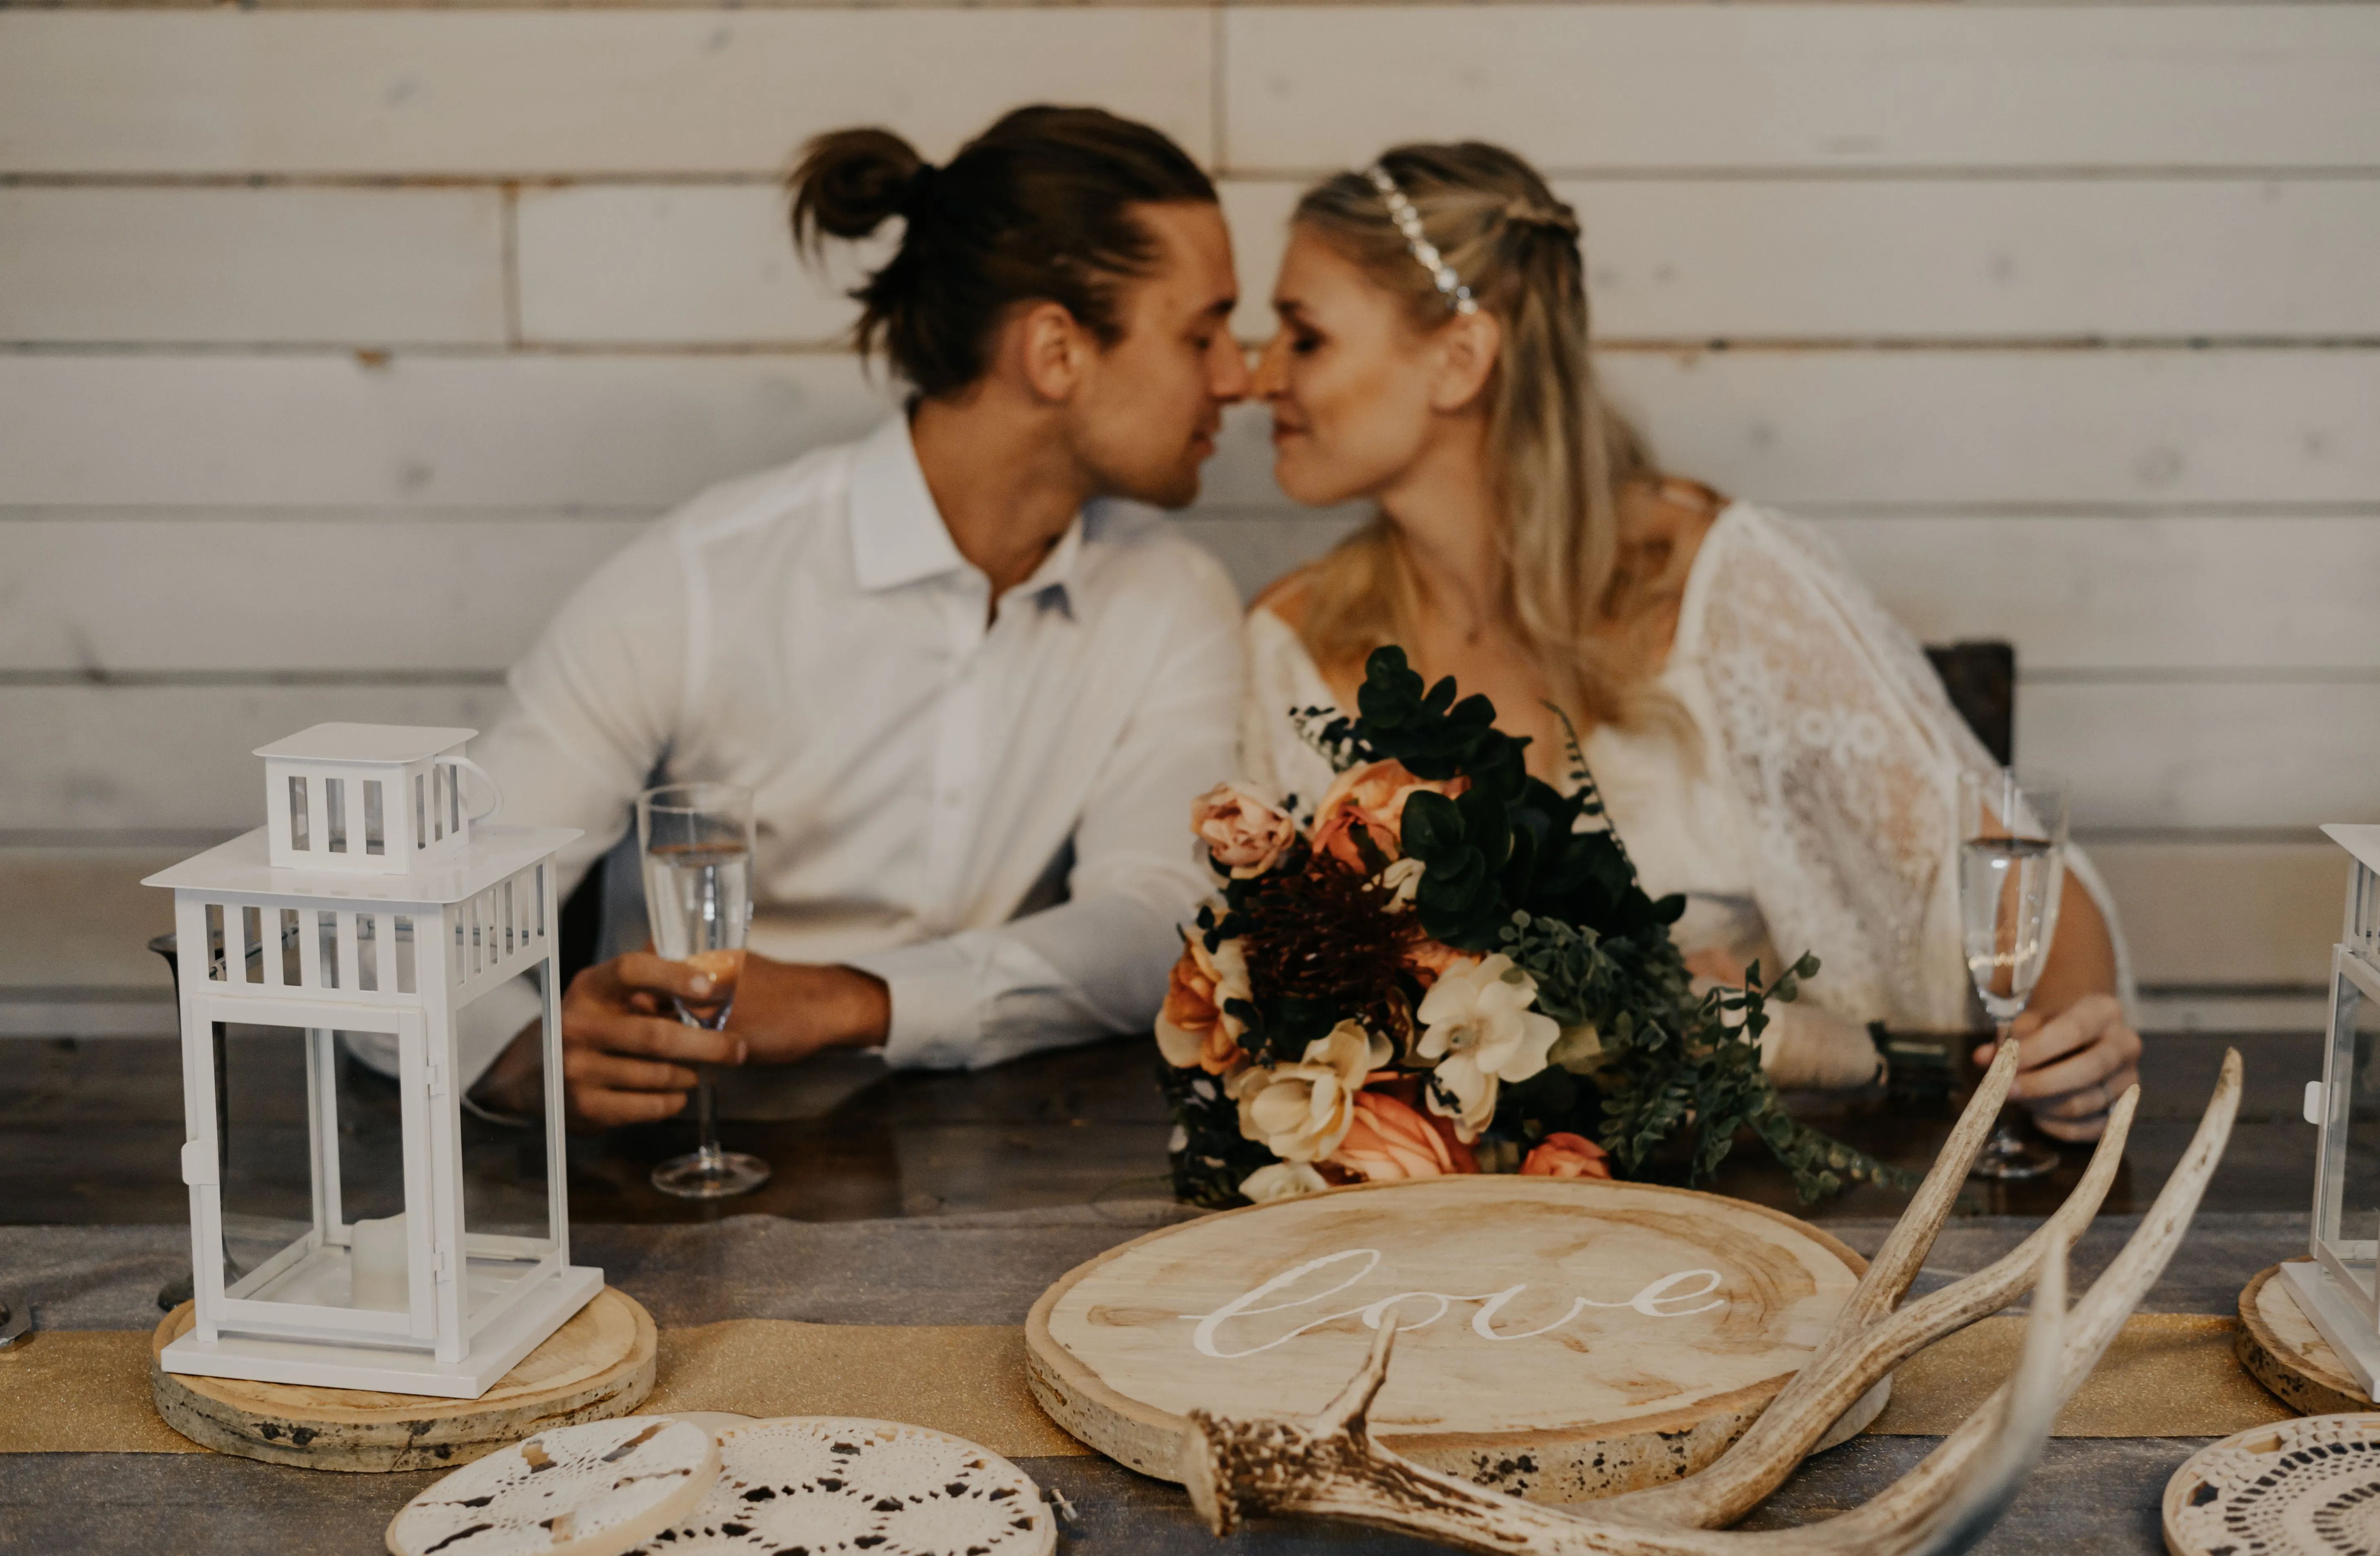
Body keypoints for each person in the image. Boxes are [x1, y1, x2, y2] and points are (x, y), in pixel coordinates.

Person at [1235, 143, 2140, 1140]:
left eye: (1302, 336)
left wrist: (2070, 1043)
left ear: (1459, 359)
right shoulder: (1289, 647)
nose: (1255, 374)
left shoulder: (1727, 582)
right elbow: (1270, 1007)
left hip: (1773, 1194)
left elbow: (1991, 866)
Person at [451, 106, 1251, 1127]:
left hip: (1003, 1173)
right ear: (1055, 350)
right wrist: (521, 1059)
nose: (1240, 376)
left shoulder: (1173, 597)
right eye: (1202, 332)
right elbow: (423, 920)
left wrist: (852, 1000)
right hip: (671, 1175)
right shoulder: (702, 579)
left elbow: (1157, 927)